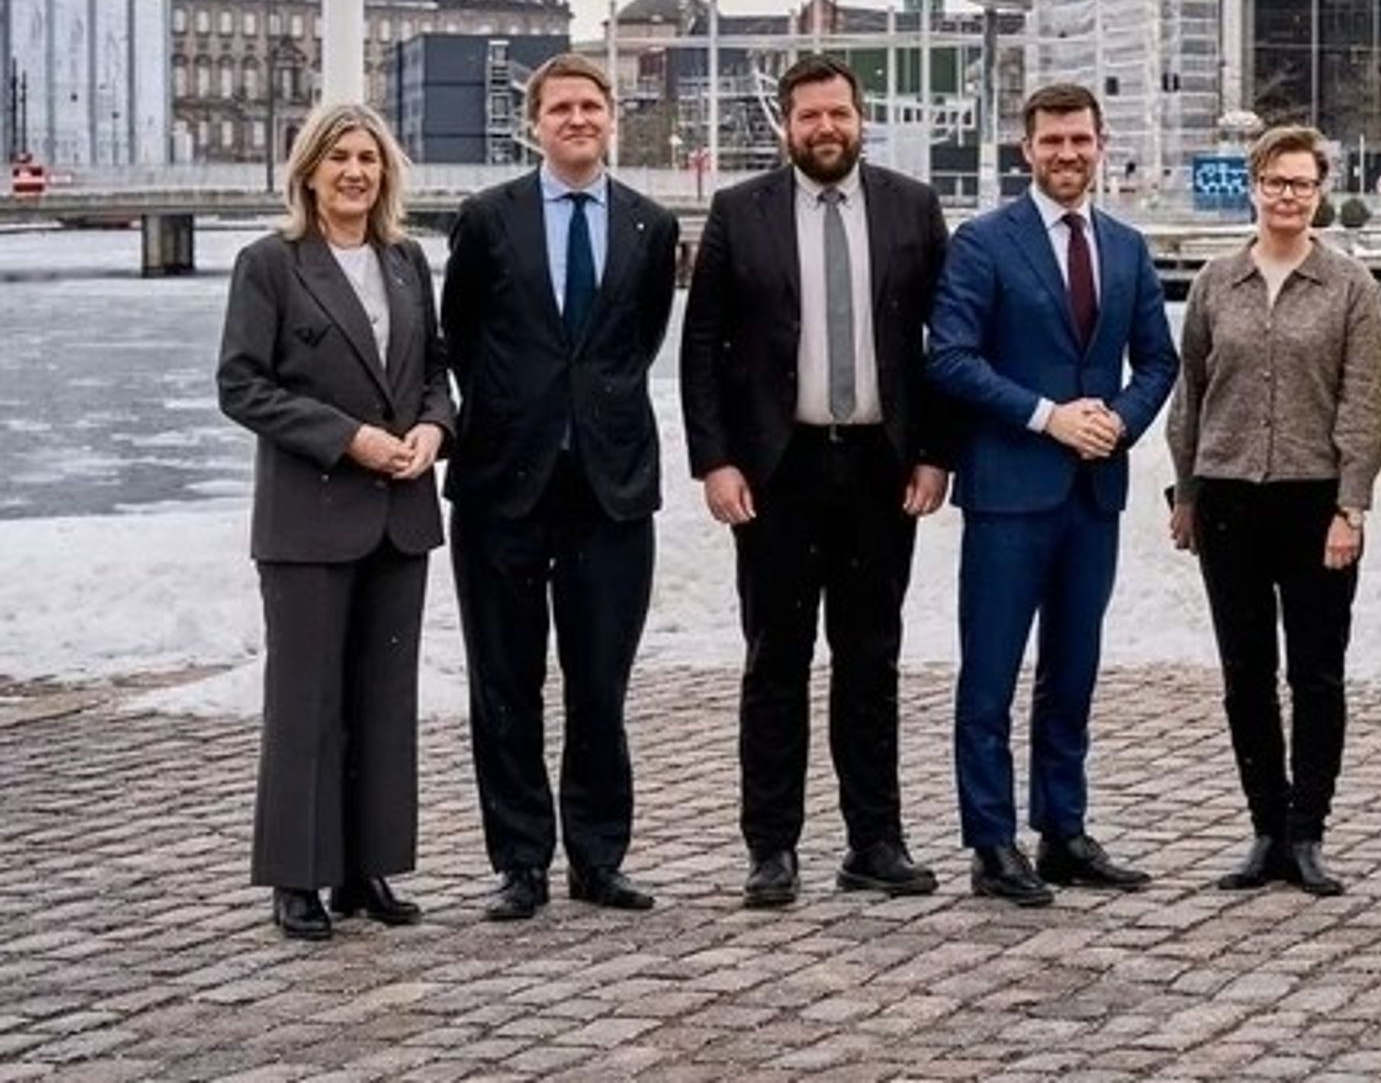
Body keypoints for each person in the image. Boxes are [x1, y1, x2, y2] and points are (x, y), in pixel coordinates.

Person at [680, 56, 952, 909]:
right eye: (809, 117)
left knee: (872, 658)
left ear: (859, 118)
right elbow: (701, 346)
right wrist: (715, 459)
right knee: (776, 660)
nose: (825, 129)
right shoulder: (739, 212)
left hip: (880, 467)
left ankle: (875, 840)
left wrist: (936, 452)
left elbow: (945, 341)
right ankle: (772, 847)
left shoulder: (913, 208)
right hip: (778, 469)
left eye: (838, 113)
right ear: (787, 125)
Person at [442, 52, 680, 921]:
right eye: (560, 108)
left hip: (610, 485)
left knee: (600, 683)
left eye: (591, 106)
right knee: (504, 682)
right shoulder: (488, 219)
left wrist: (589, 413)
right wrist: (519, 413)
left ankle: (598, 856)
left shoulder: (651, 225)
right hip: (503, 481)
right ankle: (520, 861)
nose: (577, 119)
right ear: (534, 123)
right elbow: (460, 334)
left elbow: (639, 338)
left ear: (611, 117)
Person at [928, 82, 1179, 907]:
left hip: (1092, 492)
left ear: (1101, 144)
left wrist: (1119, 421)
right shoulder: (984, 242)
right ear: (1026, 149)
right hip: (1009, 491)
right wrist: (1048, 416)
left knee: (1072, 673)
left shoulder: (1127, 247)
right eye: (1052, 141)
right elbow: (950, 357)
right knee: (990, 676)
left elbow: (1159, 359)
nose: (1067, 154)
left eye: (1080, 139)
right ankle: (991, 842)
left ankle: (1063, 830)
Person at [216, 103, 451, 940]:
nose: (356, 172)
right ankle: (297, 876)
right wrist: (347, 437)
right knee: (305, 701)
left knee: (384, 699)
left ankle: (366, 869)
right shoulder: (270, 264)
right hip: (309, 515)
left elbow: (434, 369)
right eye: (340, 157)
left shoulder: (406, 260)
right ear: (309, 171)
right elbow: (241, 384)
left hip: (400, 513)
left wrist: (435, 428)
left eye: (370, 159)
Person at [1166, 126, 1381, 896]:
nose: (1287, 196)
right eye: (1275, 181)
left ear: (1320, 191)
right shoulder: (1215, 283)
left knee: (1317, 673)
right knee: (1246, 672)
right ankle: (1265, 826)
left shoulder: (1350, 288)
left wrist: (1351, 505)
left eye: (1301, 183)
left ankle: (1307, 831)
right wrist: (1186, 492)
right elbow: (1191, 394)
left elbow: (1365, 402)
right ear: (1254, 186)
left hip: (1314, 498)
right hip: (1228, 495)